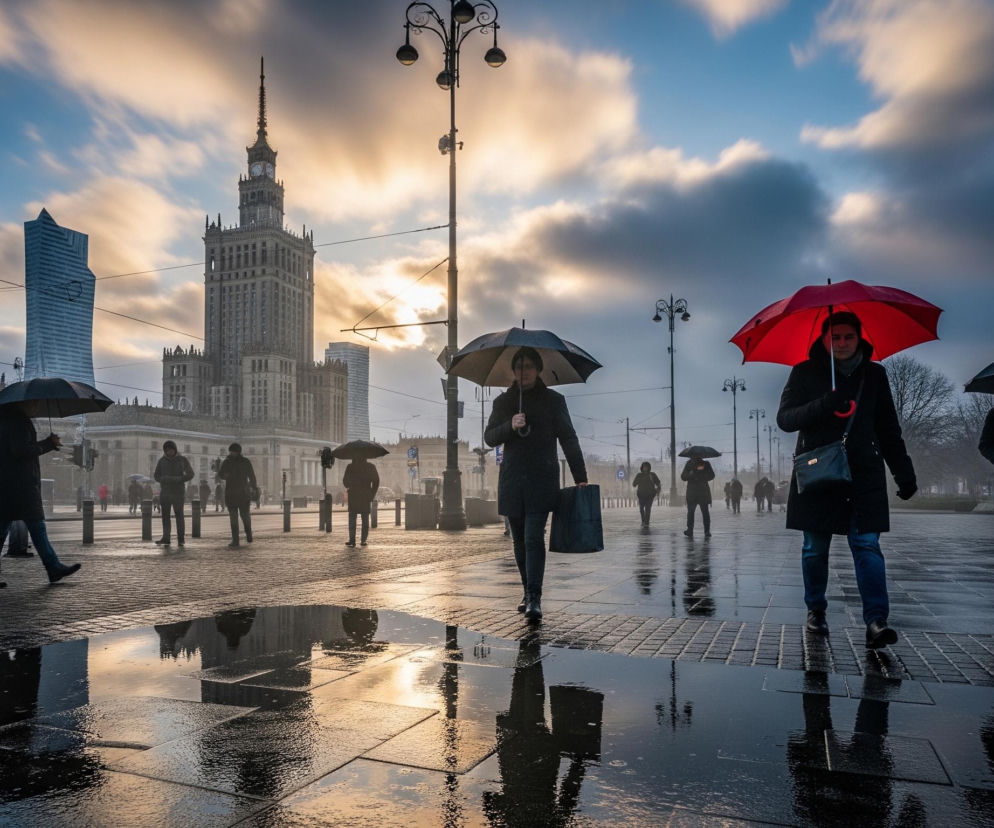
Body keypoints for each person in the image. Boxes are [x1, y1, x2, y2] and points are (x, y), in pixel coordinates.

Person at [777, 311, 916, 648]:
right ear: (824, 338)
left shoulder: (874, 375)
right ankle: (816, 611)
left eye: (848, 337)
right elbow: (786, 419)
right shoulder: (805, 372)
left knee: (867, 545)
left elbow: (888, 429)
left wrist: (903, 470)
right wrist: (825, 404)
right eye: (834, 337)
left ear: (859, 338)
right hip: (820, 471)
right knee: (814, 548)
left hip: (863, 474)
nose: (841, 343)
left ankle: (876, 621)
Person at [485, 346, 588, 622]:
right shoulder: (503, 403)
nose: (524, 371)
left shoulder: (554, 401)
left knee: (533, 538)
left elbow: (569, 438)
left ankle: (534, 596)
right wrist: (511, 425)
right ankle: (525, 590)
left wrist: (580, 476)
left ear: (538, 369)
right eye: (519, 367)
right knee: (519, 541)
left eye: (529, 366)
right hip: (512, 479)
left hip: (541, 479)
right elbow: (489, 437)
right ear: (513, 371)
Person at [0, 402, 81, 584]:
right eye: (34, 404)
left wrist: (46, 443)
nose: (37, 407)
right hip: (22, 485)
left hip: (9, 485)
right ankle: (53, 567)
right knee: (37, 528)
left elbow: (19, 448)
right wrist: (48, 444)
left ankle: (53, 567)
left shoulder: (8, 420)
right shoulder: (18, 422)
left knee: (6, 529)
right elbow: (21, 451)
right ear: (24, 404)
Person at [153, 440, 194, 547]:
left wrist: (179, 479)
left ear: (175, 450)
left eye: (171, 450)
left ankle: (181, 539)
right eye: (167, 450)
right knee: (165, 516)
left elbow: (191, 474)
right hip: (165, 492)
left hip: (178, 492)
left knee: (179, 515)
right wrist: (163, 479)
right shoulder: (162, 461)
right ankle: (166, 537)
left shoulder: (182, 460)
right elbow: (156, 476)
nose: (169, 452)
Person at [218, 442, 256, 547]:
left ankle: (248, 533)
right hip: (231, 494)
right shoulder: (226, 462)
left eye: (234, 451)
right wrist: (225, 475)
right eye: (231, 451)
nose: (232, 453)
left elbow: (252, 476)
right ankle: (235, 540)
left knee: (245, 516)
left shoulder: (245, 462)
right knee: (233, 518)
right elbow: (220, 474)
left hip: (243, 493)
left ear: (238, 452)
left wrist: (254, 487)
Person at [342, 457, 379, 548]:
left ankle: (352, 540)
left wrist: (350, 485)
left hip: (353, 495)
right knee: (365, 518)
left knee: (352, 518)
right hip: (365, 495)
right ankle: (363, 540)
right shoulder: (370, 467)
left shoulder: (350, 467)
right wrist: (372, 493)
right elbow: (376, 481)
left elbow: (345, 481)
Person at [681, 453, 715, 538]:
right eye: (692, 456)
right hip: (692, 492)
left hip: (702, 492)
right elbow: (683, 477)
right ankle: (689, 530)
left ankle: (707, 531)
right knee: (690, 512)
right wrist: (691, 474)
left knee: (705, 512)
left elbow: (712, 475)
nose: (693, 457)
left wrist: (701, 475)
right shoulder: (688, 464)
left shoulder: (705, 464)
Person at [631, 461, 661, 527]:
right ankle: (643, 521)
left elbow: (658, 482)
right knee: (641, 509)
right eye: (644, 467)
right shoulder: (639, 475)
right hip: (641, 495)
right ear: (642, 467)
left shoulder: (652, 475)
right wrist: (639, 480)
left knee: (648, 509)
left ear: (649, 467)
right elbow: (634, 484)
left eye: (646, 467)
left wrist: (658, 489)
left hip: (650, 495)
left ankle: (646, 522)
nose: (645, 468)